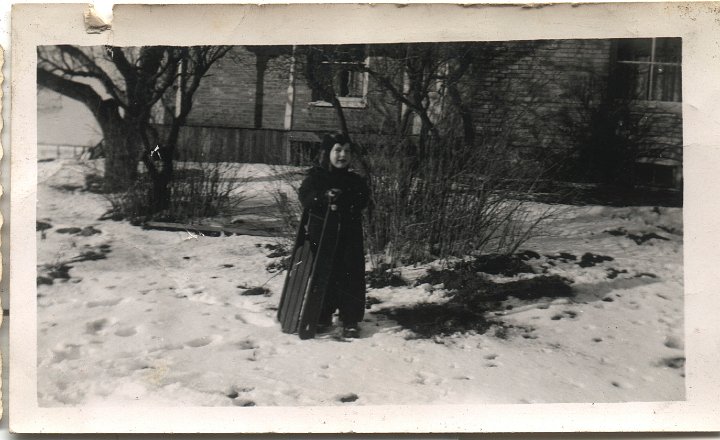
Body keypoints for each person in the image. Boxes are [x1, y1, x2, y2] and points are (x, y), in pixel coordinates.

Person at [298, 133, 370, 338]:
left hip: (349, 236)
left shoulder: (355, 180)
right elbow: (306, 198)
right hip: (322, 235)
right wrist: (323, 197)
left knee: (351, 274)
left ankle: (350, 319)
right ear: (327, 153)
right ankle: (321, 315)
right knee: (324, 273)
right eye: (337, 150)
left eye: (347, 151)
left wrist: (345, 198)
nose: (343, 155)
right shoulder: (316, 177)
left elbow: (362, 199)